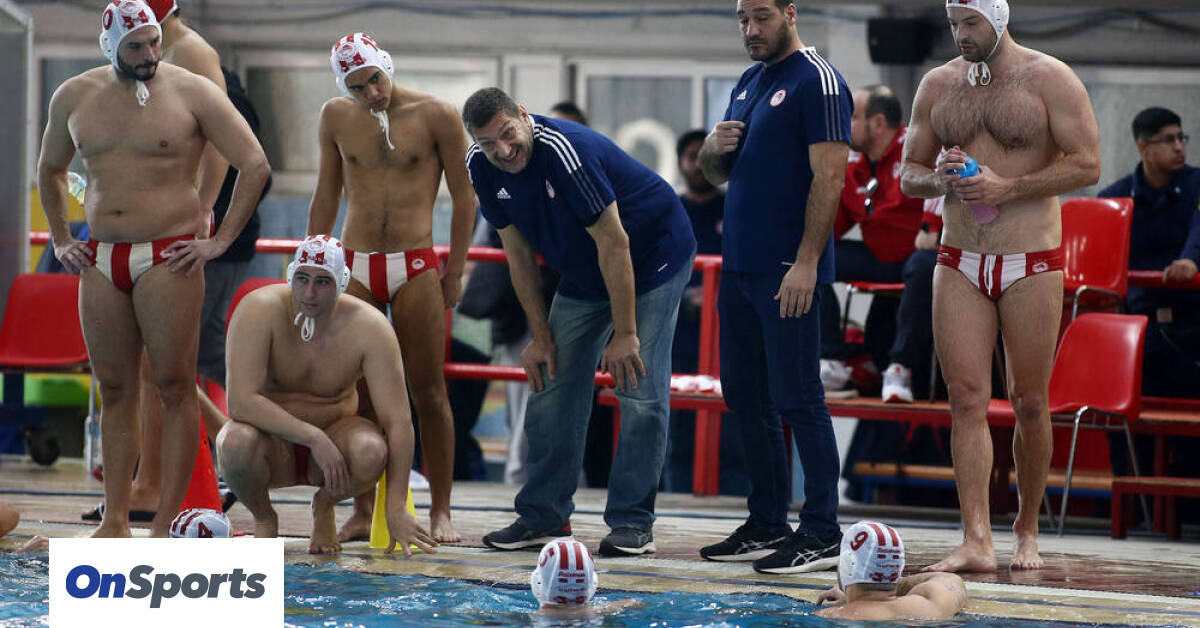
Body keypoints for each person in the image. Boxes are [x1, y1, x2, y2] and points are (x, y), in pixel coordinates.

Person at [38, 0, 270, 538]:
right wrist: (62, 237)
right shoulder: (74, 95)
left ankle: (166, 522)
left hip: (169, 256)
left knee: (173, 385)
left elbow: (254, 162)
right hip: (101, 257)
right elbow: (50, 169)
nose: (148, 55)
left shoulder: (193, 89)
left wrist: (217, 239)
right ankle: (115, 520)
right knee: (116, 388)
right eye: (136, 46)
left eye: (153, 43)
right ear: (110, 47)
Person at [900, 0, 1100, 571]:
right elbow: (908, 173)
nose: (960, 34)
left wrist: (1005, 188)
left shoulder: (1050, 78)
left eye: (971, 23)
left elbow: (1087, 164)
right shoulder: (938, 84)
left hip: (1030, 260)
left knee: (1029, 402)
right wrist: (939, 180)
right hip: (958, 258)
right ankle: (976, 538)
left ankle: (1026, 528)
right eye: (953, 24)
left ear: (999, 18)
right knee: (965, 399)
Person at [463, 87, 695, 556]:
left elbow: (615, 243)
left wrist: (625, 333)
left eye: (508, 134)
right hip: (585, 268)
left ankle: (633, 523)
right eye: (488, 143)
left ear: (523, 116)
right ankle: (543, 515)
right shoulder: (480, 166)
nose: (503, 150)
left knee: (638, 387)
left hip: (653, 254)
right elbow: (517, 254)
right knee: (551, 382)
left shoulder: (566, 151)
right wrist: (540, 336)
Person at [696, 0, 850, 573]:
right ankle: (766, 521)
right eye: (742, 19)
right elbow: (717, 174)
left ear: (790, 12)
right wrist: (711, 149)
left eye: (761, 16)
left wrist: (807, 262)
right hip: (740, 266)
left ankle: (823, 530)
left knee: (798, 397)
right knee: (744, 395)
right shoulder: (748, 82)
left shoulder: (819, 81)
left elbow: (830, 177)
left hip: (788, 269)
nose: (750, 29)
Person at [307, 32, 476, 544]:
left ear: (387, 66)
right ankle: (363, 510)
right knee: (354, 397)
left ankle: (441, 510)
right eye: (358, 87)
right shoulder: (336, 117)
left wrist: (455, 270)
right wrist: (310, 267)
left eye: (375, 80)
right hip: (354, 264)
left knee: (428, 391)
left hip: (415, 264)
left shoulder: (437, 115)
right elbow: (326, 194)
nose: (372, 94)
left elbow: (465, 197)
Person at [217, 235, 437, 555]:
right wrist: (313, 437)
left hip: (336, 443)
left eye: (322, 282)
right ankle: (264, 517)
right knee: (233, 442)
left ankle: (324, 505)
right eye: (302, 279)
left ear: (342, 283)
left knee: (371, 450)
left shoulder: (370, 327)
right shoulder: (258, 310)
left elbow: (399, 422)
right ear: (290, 276)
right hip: (270, 444)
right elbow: (240, 402)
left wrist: (395, 508)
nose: (309, 293)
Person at [817, 85, 932, 403]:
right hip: (878, 257)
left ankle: (900, 367)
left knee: (925, 265)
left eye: (851, 117)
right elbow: (834, 225)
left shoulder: (920, 152)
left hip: (918, 257)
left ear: (878, 123)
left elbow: (946, 201)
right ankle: (831, 361)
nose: (843, 124)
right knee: (809, 256)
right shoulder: (850, 162)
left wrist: (932, 230)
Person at [662, 129, 746, 494]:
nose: (698, 165)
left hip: (731, 340)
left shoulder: (738, 206)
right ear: (680, 163)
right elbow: (648, 266)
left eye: (704, 156)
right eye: (691, 157)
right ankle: (676, 504)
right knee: (678, 436)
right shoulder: (667, 210)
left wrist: (719, 294)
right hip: (678, 340)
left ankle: (738, 506)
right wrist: (685, 298)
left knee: (736, 434)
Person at [1099, 107, 1200, 400]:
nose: (1179, 147)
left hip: (1192, 325)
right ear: (1143, 147)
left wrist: (1190, 260)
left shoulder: (1196, 184)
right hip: (1141, 328)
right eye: (1168, 140)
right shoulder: (1114, 199)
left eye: (1181, 138)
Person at [815, 521, 967, 620]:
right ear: (897, 566)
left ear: (847, 565)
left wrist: (851, 594)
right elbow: (951, 580)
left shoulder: (826, 616)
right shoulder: (929, 608)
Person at [529, 537, 642, 618]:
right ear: (591, 581)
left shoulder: (528, 619)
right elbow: (635, 603)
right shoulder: (612, 609)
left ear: (538, 580)